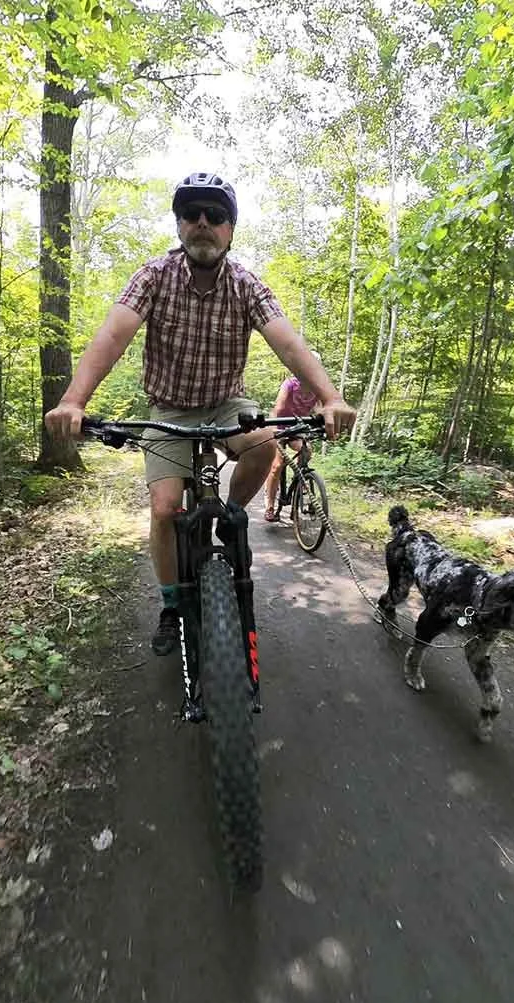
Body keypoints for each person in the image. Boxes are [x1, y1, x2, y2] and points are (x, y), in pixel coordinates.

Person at [44, 171, 355, 654]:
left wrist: (330, 397)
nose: (203, 223)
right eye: (192, 214)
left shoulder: (247, 285)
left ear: (231, 228)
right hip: (168, 409)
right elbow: (112, 336)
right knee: (165, 509)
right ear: (179, 225)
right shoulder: (153, 276)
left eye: (216, 215)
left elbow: (290, 345)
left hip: (227, 403)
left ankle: (232, 514)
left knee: (264, 444)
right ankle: (171, 605)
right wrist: (73, 401)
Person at [263, 370, 324, 522]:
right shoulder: (290, 384)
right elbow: (279, 407)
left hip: (298, 427)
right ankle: (270, 506)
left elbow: (319, 410)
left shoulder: (317, 389)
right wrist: (274, 429)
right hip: (280, 425)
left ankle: (298, 482)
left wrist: (325, 423)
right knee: (277, 465)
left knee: (307, 451)